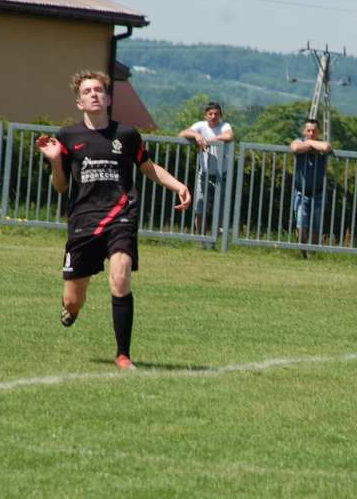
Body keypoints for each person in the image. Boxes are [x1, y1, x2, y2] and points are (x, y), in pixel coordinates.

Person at [37, 70, 191, 370]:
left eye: (98, 90)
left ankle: (123, 355)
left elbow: (149, 167)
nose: (94, 94)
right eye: (87, 91)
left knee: (120, 276)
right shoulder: (67, 136)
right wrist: (56, 160)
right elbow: (61, 186)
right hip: (83, 220)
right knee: (72, 300)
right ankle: (72, 310)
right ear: (80, 102)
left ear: (108, 98)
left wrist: (178, 185)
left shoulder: (127, 135)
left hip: (121, 213)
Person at [178, 101, 234, 236]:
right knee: (200, 206)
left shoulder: (225, 126)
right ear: (205, 115)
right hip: (204, 174)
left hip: (222, 175)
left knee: (220, 208)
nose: (214, 116)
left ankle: (216, 239)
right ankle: (200, 238)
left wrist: (213, 140)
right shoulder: (200, 126)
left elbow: (229, 136)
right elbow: (182, 133)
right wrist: (197, 135)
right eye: (210, 114)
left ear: (221, 115)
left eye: (216, 113)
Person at [289, 119, 333, 252]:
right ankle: (302, 254)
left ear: (318, 132)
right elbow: (295, 147)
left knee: (316, 228)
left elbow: (326, 147)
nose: (311, 133)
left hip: (319, 193)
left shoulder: (322, 143)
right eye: (308, 130)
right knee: (301, 226)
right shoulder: (298, 140)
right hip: (301, 193)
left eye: (314, 131)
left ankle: (313, 255)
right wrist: (311, 145)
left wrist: (308, 143)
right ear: (304, 131)